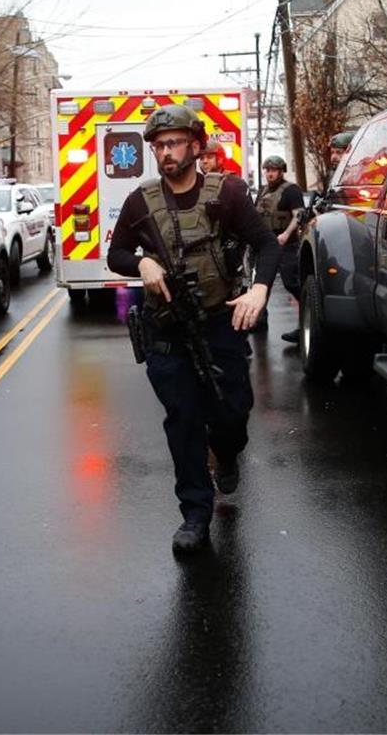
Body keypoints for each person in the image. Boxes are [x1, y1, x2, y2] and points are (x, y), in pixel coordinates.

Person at [107, 103, 279, 556]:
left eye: (174, 142)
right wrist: (141, 261)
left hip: (221, 322)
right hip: (167, 330)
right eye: (159, 145)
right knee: (183, 421)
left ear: (196, 145)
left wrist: (259, 290)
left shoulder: (228, 195)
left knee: (231, 413)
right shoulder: (140, 202)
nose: (165, 152)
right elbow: (116, 254)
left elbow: (265, 244)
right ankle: (195, 515)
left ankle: (225, 452)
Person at [254, 155, 305, 344]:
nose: (270, 173)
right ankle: (259, 320)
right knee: (261, 282)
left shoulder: (291, 190)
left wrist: (285, 234)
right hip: (266, 244)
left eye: (273, 170)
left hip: (286, 244)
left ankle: (309, 321)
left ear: (281, 171)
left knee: (292, 282)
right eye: (267, 170)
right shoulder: (262, 191)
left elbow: (298, 215)